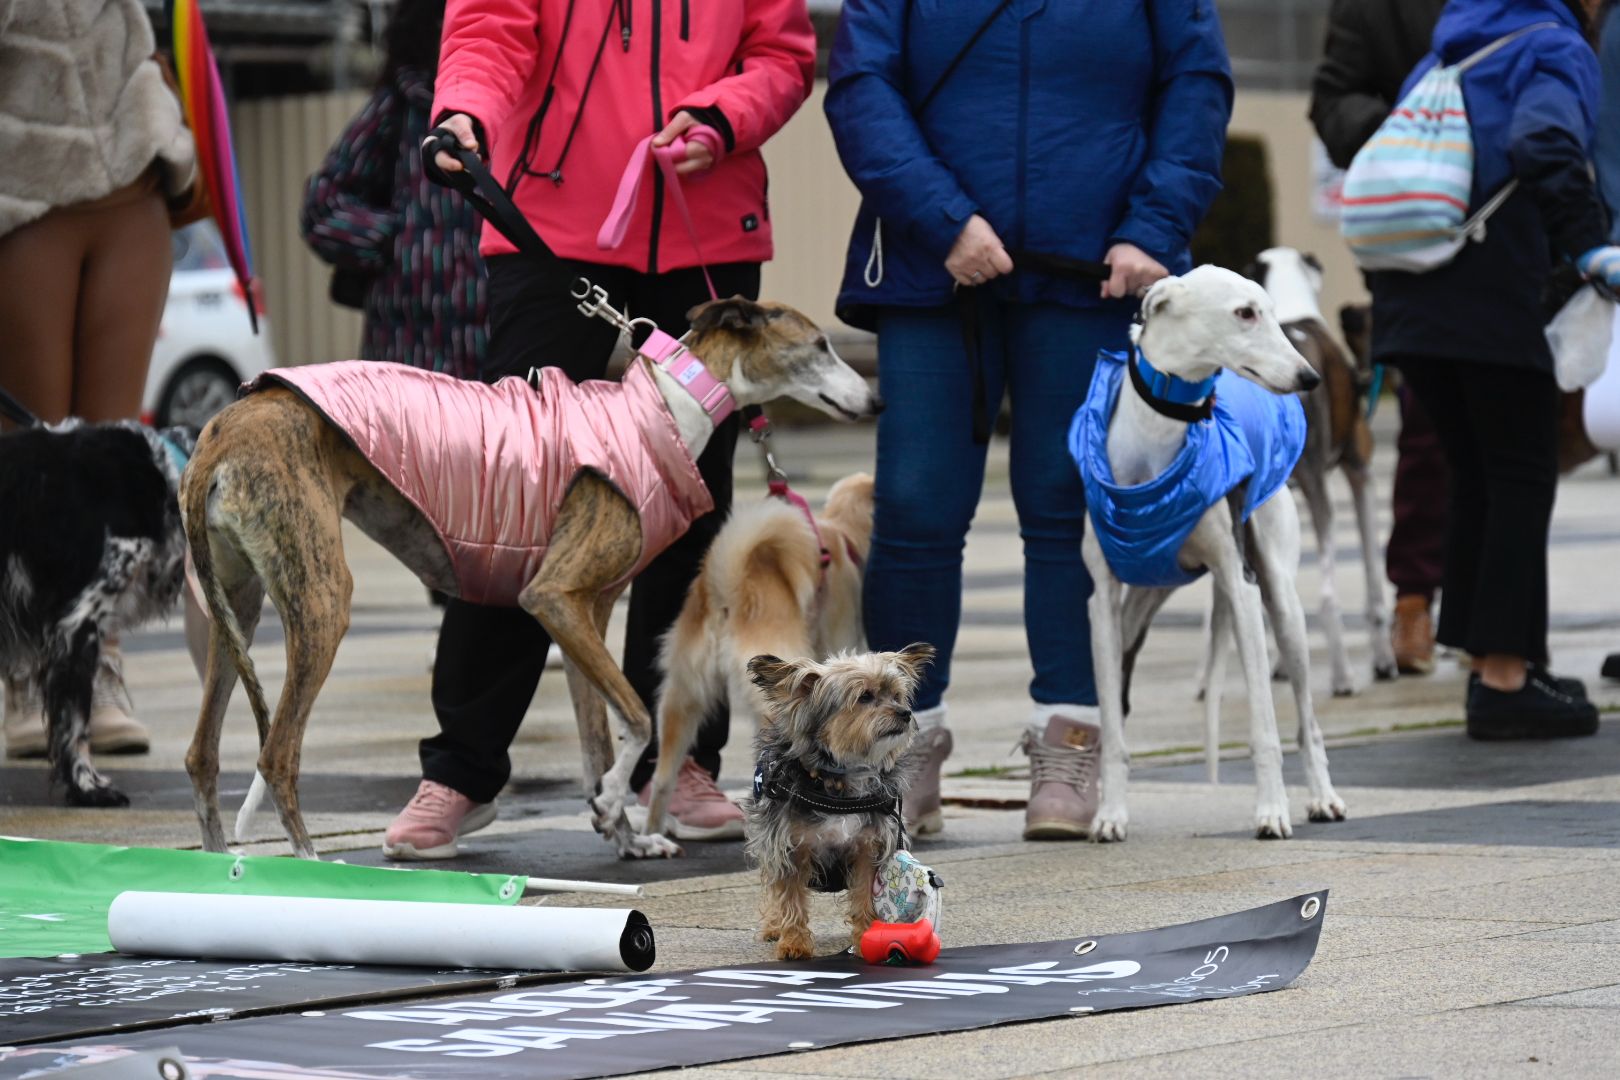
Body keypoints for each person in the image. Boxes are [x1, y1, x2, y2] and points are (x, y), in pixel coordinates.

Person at [381, 0, 816, 859]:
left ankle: (677, 762)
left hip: (702, 220)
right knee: (518, 505)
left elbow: (783, 52)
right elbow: (488, 29)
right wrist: (466, 112)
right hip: (551, 229)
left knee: (692, 514)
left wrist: (723, 116)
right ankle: (463, 768)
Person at [824, 0, 1233, 839]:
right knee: (915, 506)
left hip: (1095, 270)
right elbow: (863, 84)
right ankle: (903, 740)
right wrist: (943, 218)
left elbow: (1196, 83)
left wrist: (1154, 225)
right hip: (931, 269)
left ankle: (1071, 735)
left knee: (1067, 502)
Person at [1367, 0, 1609, 740]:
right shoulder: (1553, 46)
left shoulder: (1445, 52)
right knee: (1520, 476)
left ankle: (1494, 664)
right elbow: (1543, 139)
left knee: (1475, 473)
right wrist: (1589, 246)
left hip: (1411, 298)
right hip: (1493, 297)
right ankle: (1504, 678)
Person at [0, 0, 197, 760]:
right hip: (23, 188)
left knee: (111, 457)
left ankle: (98, 664)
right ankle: (27, 672)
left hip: (133, 175)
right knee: (31, 457)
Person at [1310, 0, 1451, 677]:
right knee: (1427, 428)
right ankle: (1414, 598)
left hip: (1516, 228)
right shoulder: (1373, 5)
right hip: (1417, 234)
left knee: (1517, 440)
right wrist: (1417, 126)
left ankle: (1501, 625)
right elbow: (1331, 103)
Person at [301, 0, 488, 380]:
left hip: (497, 366)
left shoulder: (523, 111)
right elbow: (322, 206)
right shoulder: (402, 107)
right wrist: (400, 241)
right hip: (404, 364)